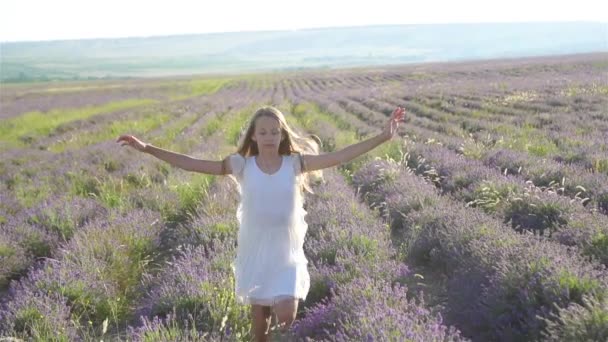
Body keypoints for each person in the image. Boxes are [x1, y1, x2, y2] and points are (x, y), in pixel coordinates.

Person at [117, 105, 405, 341]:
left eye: (275, 131)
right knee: (259, 330)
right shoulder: (241, 165)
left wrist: (382, 137)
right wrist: (148, 149)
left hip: (286, 252)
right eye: (263, 131)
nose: (269, 136)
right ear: (253, 136)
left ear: (282, 135)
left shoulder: (295, 163)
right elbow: (192, 163)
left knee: (286, 314)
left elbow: (340, 156)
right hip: (255, 251)